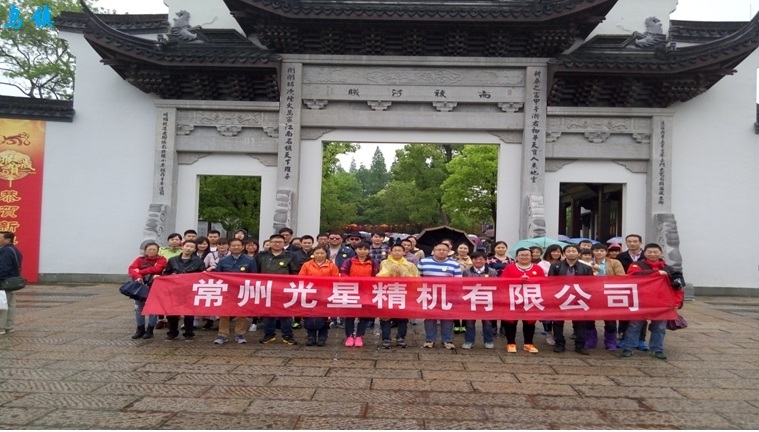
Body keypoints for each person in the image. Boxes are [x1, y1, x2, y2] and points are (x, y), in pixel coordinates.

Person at [621, 243, 684, 360]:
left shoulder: (669, 269)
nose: (652, 254)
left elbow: (678, 288)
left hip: (662, 304)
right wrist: (657, 273)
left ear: (661, 253)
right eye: (649, 252)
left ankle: (657, 349)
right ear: (644, 253)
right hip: (641, 302)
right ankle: (628, 348)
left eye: (655, 252)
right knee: (634, 326)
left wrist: (677, 302)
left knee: (659, 328)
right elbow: (633, 275)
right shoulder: (637, 265)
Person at [547, 244, 593, 355]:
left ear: (579, 253)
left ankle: (580, 345)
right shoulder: (555, 266)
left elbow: (590, 284)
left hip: (579, 297)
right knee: (557, 322)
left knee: (580, 322)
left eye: (574, 251)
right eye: (568, 251)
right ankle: (559, 343)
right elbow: (550, 282)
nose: (571, 253)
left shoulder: (586, 267)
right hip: (560, 296)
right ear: (564, 253)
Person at [212, 238, 258, 345]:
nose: (236, 247)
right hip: (227, 291)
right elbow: (218, 276)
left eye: (238, 245)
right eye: (233, 245)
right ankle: (222, 335)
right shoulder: (223, 260)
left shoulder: (250, 260)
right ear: (229, 247)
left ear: (243, 247)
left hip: (243, 290)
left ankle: (240, 334)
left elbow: (254, 276)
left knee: (242, 313)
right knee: (225, 313)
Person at [418, 242, 462, 349]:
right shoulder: (424, 262)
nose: (441, 251)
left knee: (447, 318)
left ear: (448, 252)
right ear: (434, 250)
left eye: (444, 250)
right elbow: (417, 278)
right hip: (428, 294)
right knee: (429, 317)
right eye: (439, 249)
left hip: (447, 295)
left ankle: (447, 340)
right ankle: (430, 340)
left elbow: (459, 281)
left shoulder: (454, 264)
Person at [257, 234, 299, 345]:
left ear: (284, 243)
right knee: (268, 313)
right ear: (270, 243)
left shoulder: (290, 256)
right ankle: (269, 334)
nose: (277, 244)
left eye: (280, 242)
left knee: (285, 313)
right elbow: (256, 271)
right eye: (274, 242)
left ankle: (287, 335)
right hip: (266, 288)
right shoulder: (261, 256)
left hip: (284, 289)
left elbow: (294, 272)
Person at [501, 248, 545, 353]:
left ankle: (528, 343)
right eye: (521, 255)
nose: (524, 257)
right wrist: (517, 280)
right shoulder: (510, 268)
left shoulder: (537, 268)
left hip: (531, 299)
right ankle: (511, 343)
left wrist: (531, 281)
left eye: (527, 255)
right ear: (517, 257)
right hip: (513, 299)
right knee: (510, 322)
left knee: (529, 322)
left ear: (531, 256)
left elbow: (543, 283)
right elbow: (503, 282)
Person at [377, 242, 419, 348]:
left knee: (403, 317)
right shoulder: (384, 263)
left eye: (399, 250)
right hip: (387, 292)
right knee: (385, 317)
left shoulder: (410, 265)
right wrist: (390, 272)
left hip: (404, 293)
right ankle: (386, 338)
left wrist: (404, 274)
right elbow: (379, 276)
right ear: (390, 251)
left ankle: (401, 337)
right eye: (395, 250)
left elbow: (416, 279)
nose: (397, 252)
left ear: (404, 252)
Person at [163, 240, 205, 341]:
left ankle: (189, 333)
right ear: (182, 247)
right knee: (172, 312)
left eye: (191, 247)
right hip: (174, 290)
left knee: (189, 313)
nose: (189, 248)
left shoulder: (198, 261)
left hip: (190, 290)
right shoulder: (173, 260)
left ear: (194, 249)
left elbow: (202, 276)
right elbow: (166, 273)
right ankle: (172, 332)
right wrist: (170, 275)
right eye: (187, 246)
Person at [586, 243, 625, 350]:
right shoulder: (587, 262)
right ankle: (590, 340)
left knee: (610, 320)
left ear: (606, 252)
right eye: (596, 250)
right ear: (592, 252)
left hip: (609, 293)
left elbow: (621, 277)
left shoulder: (614, 262)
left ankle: (610, 342)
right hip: (591, 294)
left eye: (602, 251)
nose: (599, 253)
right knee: (588, 318)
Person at [340, 242, 379, 348]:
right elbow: (343, 273)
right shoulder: (349, 261)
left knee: (363, 315)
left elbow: (376, 276)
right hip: (351, 290)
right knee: (350, 315)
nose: (362, 251)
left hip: (366, 291)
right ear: (356, 250)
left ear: (369, 251)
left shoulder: (373, 262)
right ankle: (349, 336)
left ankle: (359, 336)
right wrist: (351, 282)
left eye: (365, 249)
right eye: (360, 249)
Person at [298, 245, 339, 346]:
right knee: (309, 315)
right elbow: (301, 278)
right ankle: (311, 336)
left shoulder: (331, 265)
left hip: (325, 294)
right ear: (313, 254)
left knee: (324, 316)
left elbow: (336, 280)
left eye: (322, 253)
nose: (319, 255)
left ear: (326, 254)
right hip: (310, 293)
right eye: (317, 253)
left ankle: (322, 337)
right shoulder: (307, 265)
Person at [127, 242, 167, 339]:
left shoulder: (161, 259)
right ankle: (140, 329)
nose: (152, 251)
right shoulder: (140, 259)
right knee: (139, 309)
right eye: (149, 249)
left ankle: (150, 330)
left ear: (158, 251)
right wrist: (138, 277)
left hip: (154, 287)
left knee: (152, 309)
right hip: (140, 287)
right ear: (145, 250)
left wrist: (140, 271)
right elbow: (131, 269)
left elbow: (156, 269)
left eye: (154, 249)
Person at [616, 234, 648, 349]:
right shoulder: (621, 256)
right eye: (629, 241)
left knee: (642, 314)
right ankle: (623, 337)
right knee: (624, 314)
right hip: (625, 289)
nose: (632, 244)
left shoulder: (647, 256)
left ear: (640, 242)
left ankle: (640, 339)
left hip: (643, 289)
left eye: (635, 241)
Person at [461, 251, 497, 349]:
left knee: (487, 322)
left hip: (486, 299)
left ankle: (488, 341)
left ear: (485, 260)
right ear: (472, 260)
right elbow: (463, 285)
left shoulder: (492, 271)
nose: (478, 261)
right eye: (475, 259)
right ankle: (469, 341)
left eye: (481, 259)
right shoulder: (466, 271)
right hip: (471, 300)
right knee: (469, 322)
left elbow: (495, 285)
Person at [538, 244, 563, 344]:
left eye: (558, 251)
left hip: (560, 291)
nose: (556, 253)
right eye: (554, 251)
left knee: (558, 314)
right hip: (546, 291)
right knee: (547, 314)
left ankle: (558, 334)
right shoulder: (542, 264)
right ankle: (548, 332)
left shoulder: (564, 263)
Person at [0, 232, 23, 335]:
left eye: (0, 238)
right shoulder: (15, 250)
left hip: (4, 282)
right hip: (12, 282)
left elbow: (3, 267)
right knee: (10, 305)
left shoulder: (5, 251)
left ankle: (1, 327)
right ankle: (9, 326)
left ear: (8, 239)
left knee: (2, 305)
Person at [452, 242, 473, 334]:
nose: (463, 250)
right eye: (461, 248)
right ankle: (456, 324)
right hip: (454, 285)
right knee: (455, 304)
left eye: (465, 248)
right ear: (457, 249)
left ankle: (464, 325)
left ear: (468, 250)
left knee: (466, 305)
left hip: (468, 285)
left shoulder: (472, 260)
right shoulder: (452, 259)